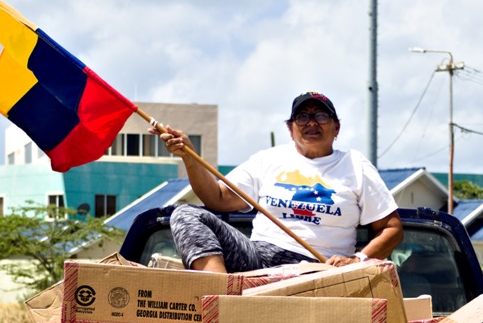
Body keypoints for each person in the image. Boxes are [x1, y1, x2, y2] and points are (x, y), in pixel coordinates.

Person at [149, 91, 403, 273]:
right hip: (257, 259)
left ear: (336, 128)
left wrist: (357, 260)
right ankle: (218, 294)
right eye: (302, 117)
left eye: (321, 116)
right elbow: (217, 198)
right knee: (184, 214)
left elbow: (392, 228)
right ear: (290, 129)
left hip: (318, 271)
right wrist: (189, 157)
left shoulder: (356, 165)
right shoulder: (267, 160)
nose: (311, 122)